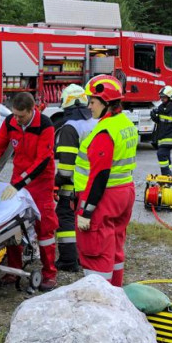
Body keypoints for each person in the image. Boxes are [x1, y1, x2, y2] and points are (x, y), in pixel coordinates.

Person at [74, 75, 138, 287]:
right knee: (115, 247)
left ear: (107, 103)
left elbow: (99, 175)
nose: (89, 106)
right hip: (124, 192)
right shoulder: (124, 123)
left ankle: (99, 302)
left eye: (93, 101)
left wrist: (86, 212)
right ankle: (116, 294)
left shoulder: (104, 132)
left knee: (96, 250)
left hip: (103, 197)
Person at [0, 92, 58, 291]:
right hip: (18, 179)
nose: (17, 119)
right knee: (11, 225)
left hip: (40, 182)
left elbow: (42, 160)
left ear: (32, 110)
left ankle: (49, 273)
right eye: (15, 115)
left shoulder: (45, 125)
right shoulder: (11, 122)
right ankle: (13, 270)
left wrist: (19, 184)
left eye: (21, 116)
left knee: (44, 228)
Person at [54, 84, 98, 272]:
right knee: (87, 220)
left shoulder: (70, 128)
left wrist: (54, 183)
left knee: (65, 217)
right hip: (94, 183)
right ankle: (85, 257)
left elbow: (65, 170)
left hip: (74, 184)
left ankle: (69, 260)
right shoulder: (95, 122)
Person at [149, 85, 172, 176]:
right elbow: (159, 122)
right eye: (161, 97)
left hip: (171, 137)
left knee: (161, 153)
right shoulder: (161, 107)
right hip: (162, 137)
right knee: (166, 154)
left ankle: (166, 174)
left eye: (164, 97)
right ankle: (168, 172)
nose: (162, 99)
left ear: (170, 97)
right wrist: (154, 116)